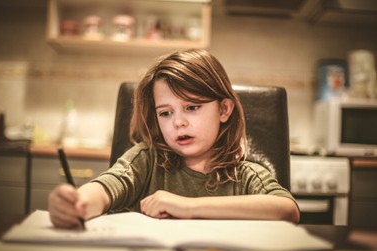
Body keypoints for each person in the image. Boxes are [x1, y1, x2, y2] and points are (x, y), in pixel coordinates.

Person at [48, 49, 300, 229]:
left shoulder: (245, 176)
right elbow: (104, 191)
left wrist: (188, 207)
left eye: (192, 107)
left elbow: (287, 211)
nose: (178, 122)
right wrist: (77, 204)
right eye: (166, 113)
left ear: (224, 110)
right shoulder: (145, 161)